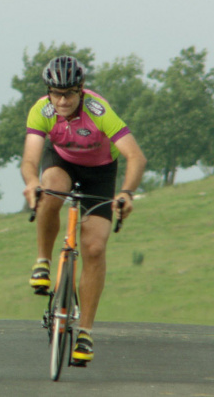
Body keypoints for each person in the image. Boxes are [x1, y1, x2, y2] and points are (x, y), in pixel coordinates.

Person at [21, 56, 147, 365]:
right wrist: (32, 182)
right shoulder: (41, 110)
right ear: (49, 92)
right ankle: (43, 262)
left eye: (69, 94)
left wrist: (126, 193)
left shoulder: (98, 110)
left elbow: (136, 157)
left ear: (81, 90)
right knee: (50, 190)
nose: (62, 101)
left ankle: (86, 333)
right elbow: (30, 159)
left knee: (94, 247)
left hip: (100, 173)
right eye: (56, 93)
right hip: (62, 162)